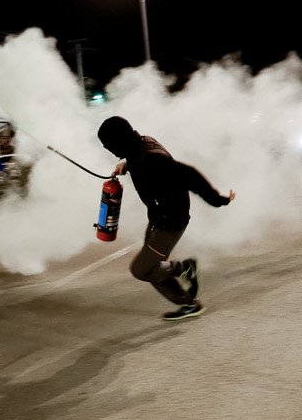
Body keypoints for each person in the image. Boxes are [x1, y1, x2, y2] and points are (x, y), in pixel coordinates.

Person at [97, 116, 235, 321]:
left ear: (119, 140)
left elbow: (189, 175)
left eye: (109, 145)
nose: (108, 150)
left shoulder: (150, 158)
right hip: (158, 217)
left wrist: (218, 200)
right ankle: (187, 297)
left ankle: (185, 276)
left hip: (170, 221)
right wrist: (125, 165)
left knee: (141, 269)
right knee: (153, 265)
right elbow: (139, 159)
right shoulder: (140, 146)